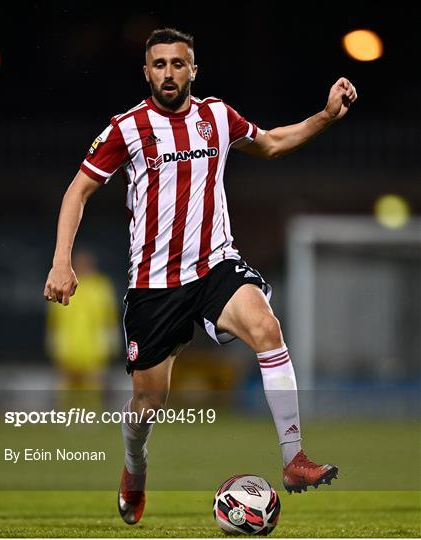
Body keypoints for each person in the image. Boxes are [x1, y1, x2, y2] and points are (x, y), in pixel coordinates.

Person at [44, 27, 357, 525]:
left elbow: (272, 143)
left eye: (178, 63)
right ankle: (133, 467)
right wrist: (62, 261)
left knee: (267, 328)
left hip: (216, 266)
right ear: (146, 72)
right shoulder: (126, 129)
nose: (169, 72)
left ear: (194, 69)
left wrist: (323, 117)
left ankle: (294, 459)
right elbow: (76, 192)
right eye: (159, 64)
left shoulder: (217, 116)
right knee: (148, 404)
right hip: (153, 286)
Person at [45, 248, 120, 394]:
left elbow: (110, 321)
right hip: (66, 356)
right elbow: (54, 324)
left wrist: (111, 353)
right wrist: (55, 353)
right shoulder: (61, 286)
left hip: (96, 357)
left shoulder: (102, 287)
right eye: (78, 263)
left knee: (93, 399)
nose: (82, 266)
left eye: (85, 263)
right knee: (67, 400)